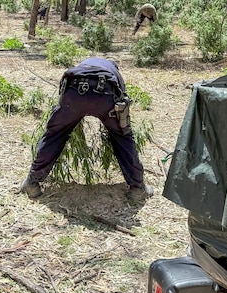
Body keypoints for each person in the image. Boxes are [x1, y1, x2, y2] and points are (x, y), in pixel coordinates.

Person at [19, 57, 153, 204]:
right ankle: (137, 188)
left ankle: (32, 183)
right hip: (105, 97)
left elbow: (63, 89)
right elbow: (121, 100)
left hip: (73, 94)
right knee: (123, 137)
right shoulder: (113, 71)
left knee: (54, 136)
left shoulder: (83, 65)